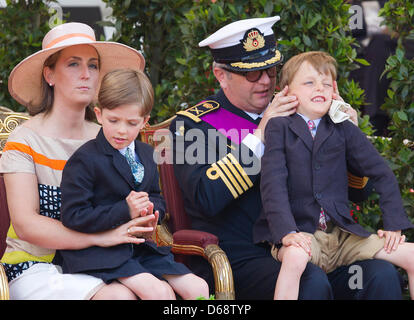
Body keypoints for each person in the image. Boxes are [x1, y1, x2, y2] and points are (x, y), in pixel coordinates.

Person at [170, 16, 404, 299]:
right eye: (252, 74)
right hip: (243, 257)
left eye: (271, 69)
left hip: (311, 244)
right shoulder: (193, 125)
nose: (266, 81)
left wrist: (348, 136)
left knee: (378, 275)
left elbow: (361, 192)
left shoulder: (302, 111)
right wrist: (259, 137)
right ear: (221, 75)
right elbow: (206, 197)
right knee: (311, 282)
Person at [0, 22, 157, 300]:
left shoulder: (112, 137)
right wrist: (101, 238)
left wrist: (145, 218)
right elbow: (26, 224)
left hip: (104, 260)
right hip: (37, 266)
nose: (86, 74)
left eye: (93, 65)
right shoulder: (24, 140)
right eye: (73, 64)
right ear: (49, 74)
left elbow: (135, 199)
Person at [253, 51, 414, 300]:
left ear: (334, 89)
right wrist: (287, 232)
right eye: (309, 83)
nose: (320, 88)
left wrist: (393, 223)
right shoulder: (279, 126)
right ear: (285, 91)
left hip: (340, 236)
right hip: (302, 233)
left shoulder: (343, 126)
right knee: (294, 258)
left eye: (326, 83)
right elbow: (273, 184)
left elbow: (380, 172)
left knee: (411, 255)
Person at [59, 69, 209, 300]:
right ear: (98, 114)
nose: (121, 130)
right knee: (159, 292)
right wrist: (125, 210)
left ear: (144, 122)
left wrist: (152, 210)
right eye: (113, 120)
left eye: (131, 123)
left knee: (198, 288)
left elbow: (156, 196)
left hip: (139, 248)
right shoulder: (84, 159)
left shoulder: (147, 153)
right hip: (99, 252)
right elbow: (73, 216)